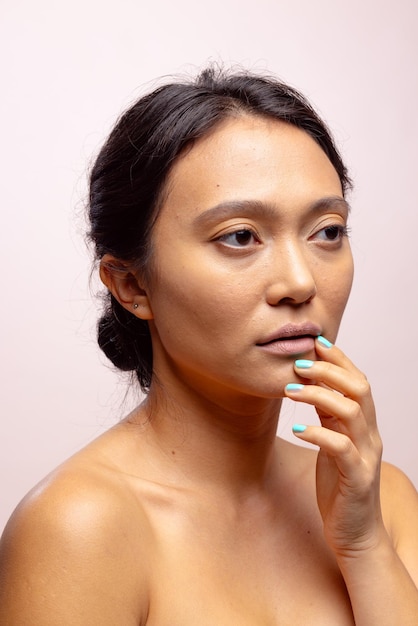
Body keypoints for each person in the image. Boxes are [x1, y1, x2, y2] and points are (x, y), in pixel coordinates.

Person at [0, 66, 417, 625]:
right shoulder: (82, 527)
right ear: (132, 284)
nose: (300, 282)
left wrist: (365, 547)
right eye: (240, 237)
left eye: (327, 231)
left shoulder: (379, 500)